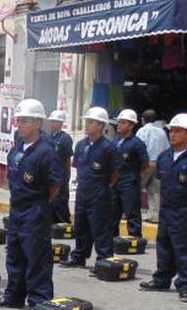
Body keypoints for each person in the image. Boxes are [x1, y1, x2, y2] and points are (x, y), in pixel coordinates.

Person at [0, 99, 64, 310]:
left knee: (36, 257)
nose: (18, 125)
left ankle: (39, 301)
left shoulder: (46, 151)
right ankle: (14, 295)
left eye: (23, 121)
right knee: (15, 254)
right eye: (18, 120)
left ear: (37, 123)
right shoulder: (18, 149)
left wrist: (39, 204)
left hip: (35, 210)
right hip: (17, 209)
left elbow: (54, 186)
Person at [140, 113, 187, 302]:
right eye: (171, 131)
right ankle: (162, 279)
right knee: (164, 245)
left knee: (184, 249)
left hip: (185, 211)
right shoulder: (164, 157)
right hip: (166, 210)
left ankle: (185, 285)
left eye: (178, 131)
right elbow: (163, 182)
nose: (173, 135)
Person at [61, 107, 119, 269]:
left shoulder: (109, 148)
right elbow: (77, 166)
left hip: (99, 192)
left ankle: (104, 259)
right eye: (86, 122)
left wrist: (104, 186)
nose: (86, 125)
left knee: (100, 227)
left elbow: (115, 174)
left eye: (91, 122)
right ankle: (79, 256)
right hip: (83, 191)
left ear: (101, 126)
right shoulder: (80, 145)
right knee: (81, 225)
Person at [111, 109, 150, 238]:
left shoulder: (137, 144)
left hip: (129, 182)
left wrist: (135, 176)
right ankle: (112, 238)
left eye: (123, 122)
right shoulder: (115, 142)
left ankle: (134, 238)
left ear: (132, 125)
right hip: (115, 182)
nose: (119, 125)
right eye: (119, 122)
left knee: (131, 212)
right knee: (113, 211)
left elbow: (145, 164)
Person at [136, 109, 170, 223]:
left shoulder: (142, 130)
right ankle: (154, 215)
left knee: (136, 188)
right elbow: (167, 148)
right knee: (155, 190)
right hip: (159, 163)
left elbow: (138, 147)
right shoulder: (162, 132)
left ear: (143, 119)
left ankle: (129, 212)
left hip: (145, 163)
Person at [45, 110, 73, 224]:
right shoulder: (48, 137)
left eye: (56, 122)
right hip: (50, 174)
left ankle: (63, 224)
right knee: (51, 201)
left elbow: (67, 160)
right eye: (52, 122)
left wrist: (66, 176)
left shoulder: (65, 138)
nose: (53, 124)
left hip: (61, 174)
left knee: (60, 201)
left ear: (61, 123)